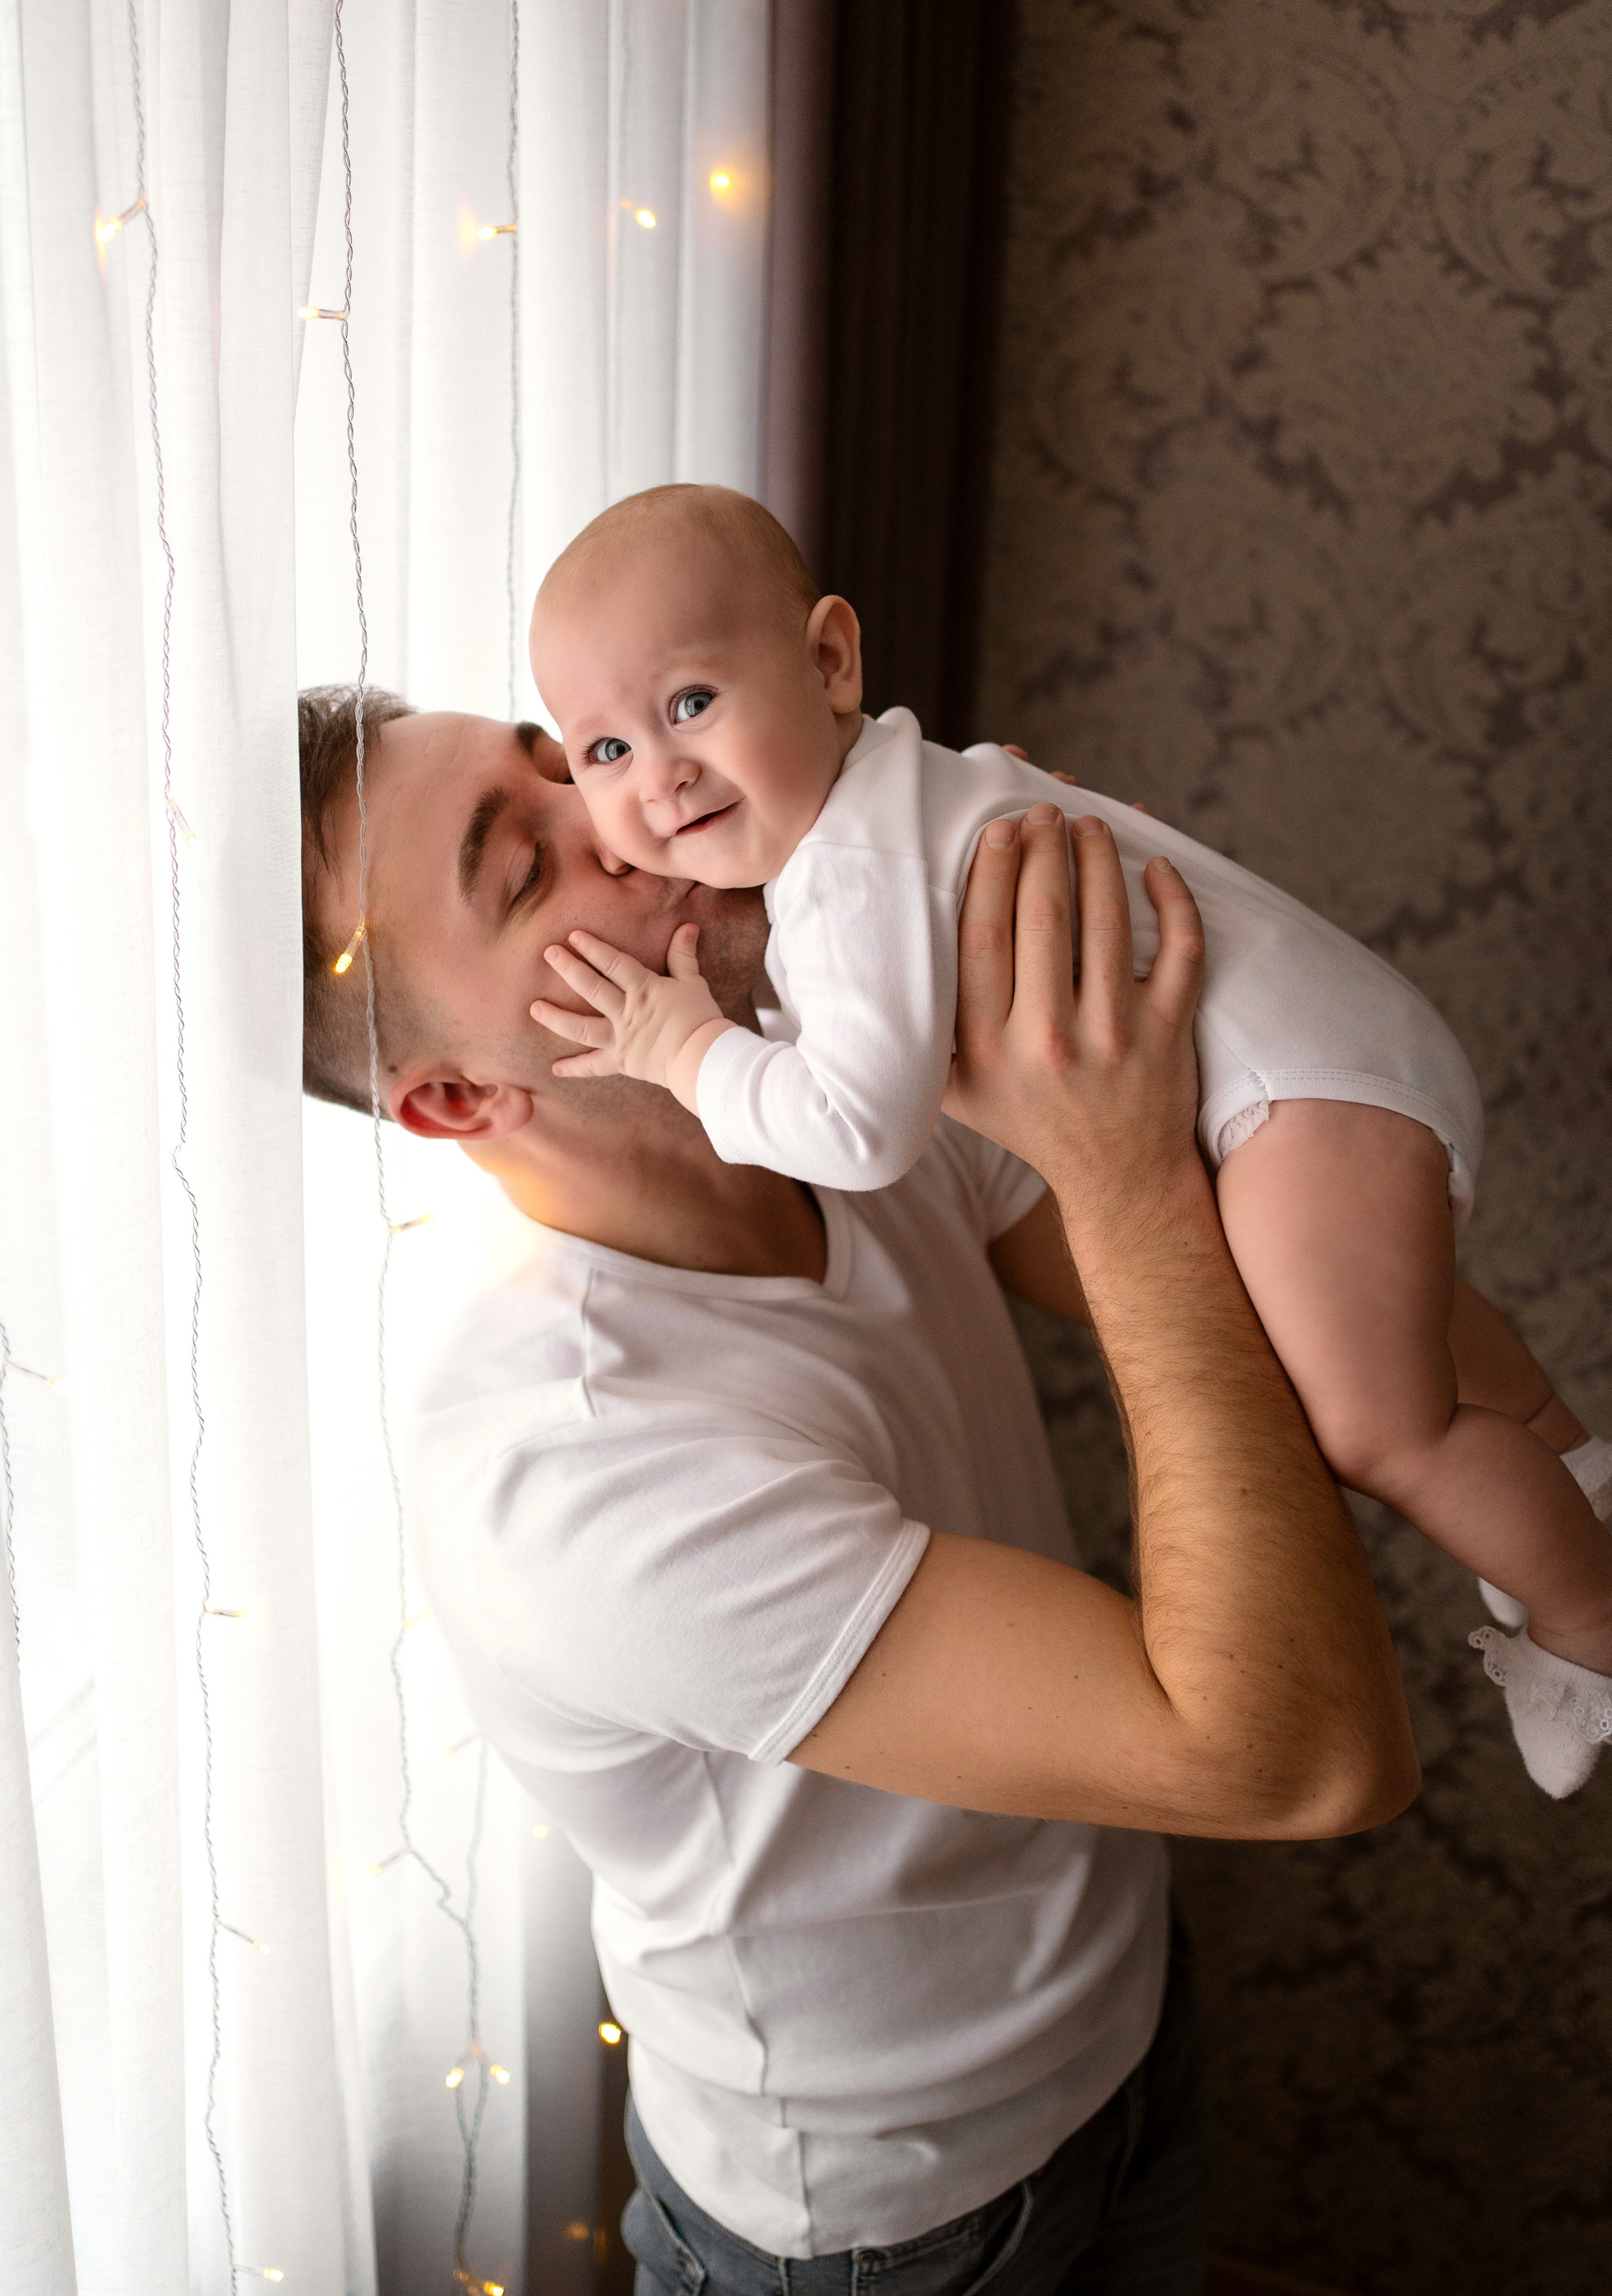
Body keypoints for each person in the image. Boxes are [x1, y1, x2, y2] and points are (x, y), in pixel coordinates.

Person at [298, 681, 1420, 2292]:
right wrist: (1111, 1164)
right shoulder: (576, 1470)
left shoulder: (813, 1078)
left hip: (1124, 2021)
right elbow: (1301, 1757)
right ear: (459, 1100)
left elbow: (1248, 1306)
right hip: (894, 2222)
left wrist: (1076, 963)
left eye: (561, 761)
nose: (626, 813)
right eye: (527, 866)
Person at [525, 485, 1612, 1798]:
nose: (661, 777)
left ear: (827, 661)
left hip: (1305, 1097)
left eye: (690, 704)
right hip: (1342, 1059)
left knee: (1377, 1428)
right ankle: (1573, 1466)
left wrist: (681, 1050)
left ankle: (1587, 1629)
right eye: (603, 754)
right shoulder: (891, 794)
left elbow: (857, 1129)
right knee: (1399, 1331)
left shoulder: (850, 876)